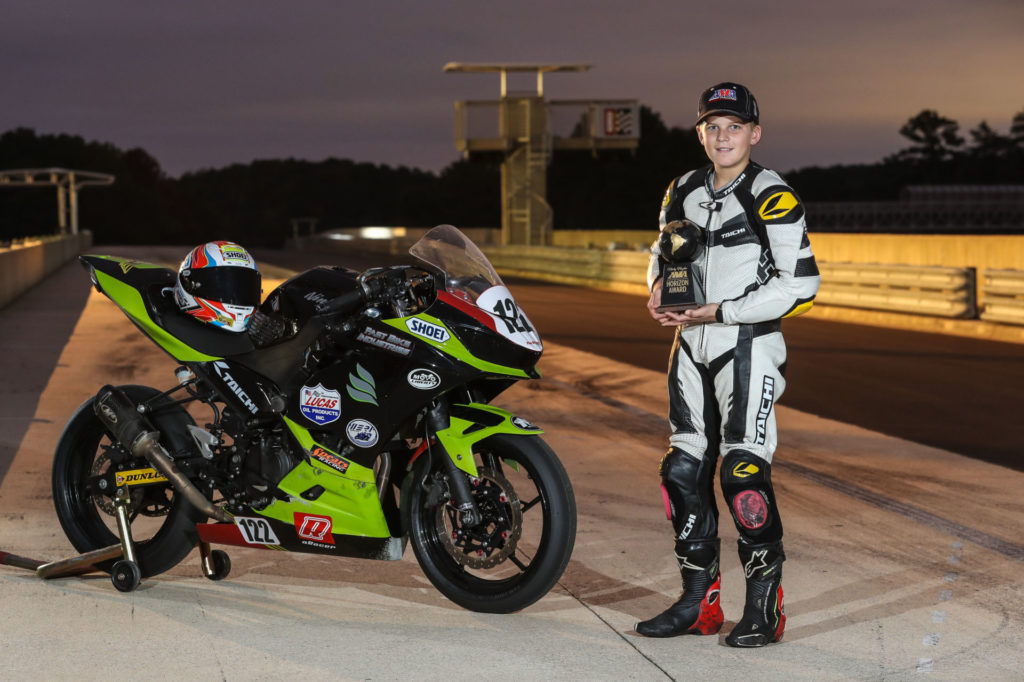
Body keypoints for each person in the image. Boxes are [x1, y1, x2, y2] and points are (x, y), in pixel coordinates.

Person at [634, 82, 821, 647]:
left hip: (748, 345)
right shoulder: (682, 189)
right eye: (712, 126)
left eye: (734, 127)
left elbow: (803, 286)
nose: (723, 136)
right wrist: (655, 295)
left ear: (754, 134)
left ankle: (766, 609)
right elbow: (660, 255)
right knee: (681, 472)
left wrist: (722, 309)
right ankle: (699, 605)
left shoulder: (773, 193)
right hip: (689, 344)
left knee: (742, 474)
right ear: (700, 133)